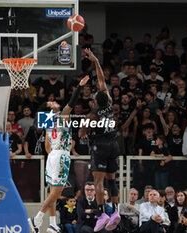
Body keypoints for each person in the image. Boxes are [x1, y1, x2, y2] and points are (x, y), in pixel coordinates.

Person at [28, 75, 90, 233]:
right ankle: (37, 219)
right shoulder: (62, 116)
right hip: (61, 155)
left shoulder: (48, 124)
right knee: (56, 192)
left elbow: (47, 148)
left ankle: (52, 223)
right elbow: (72, 101)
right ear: (52, 109)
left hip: (52, 156)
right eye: (52, 103)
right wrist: (80, 86)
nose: (55, 102)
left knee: (52, 191)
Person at [79, 48, 121, 232]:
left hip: (100, 147)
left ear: (96, 101)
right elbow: (102, 79)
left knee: (98, 182)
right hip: (114, 145)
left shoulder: (92, 114)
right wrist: (96, 60)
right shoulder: (110, 104)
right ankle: (116, 212)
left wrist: (83, 128)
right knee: (112, 181)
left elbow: (81, 133)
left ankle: (102, 213)